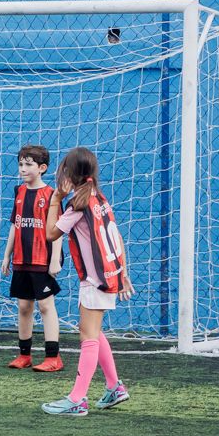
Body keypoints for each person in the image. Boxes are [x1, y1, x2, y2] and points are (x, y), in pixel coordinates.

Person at [41, 147, 134, 417]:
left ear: (69, 174)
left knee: (88, 337)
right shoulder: (99, 198)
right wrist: (123, 272)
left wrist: (56, 198)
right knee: (91, 329)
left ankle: (77, 399)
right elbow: (116, 238)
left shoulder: (77, 205)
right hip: (109, 274)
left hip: (96, 280)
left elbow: (50, 234)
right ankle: (114, 386)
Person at [0, 144, 63, 371]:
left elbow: (58, 230)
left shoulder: (51, 195)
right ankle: (24, 355)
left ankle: (53, 357)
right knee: (24, 306)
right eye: (20, 164)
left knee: (46, 306)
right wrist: (7, 255)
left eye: (28, 164)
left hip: (42, 259)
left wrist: (55, 258)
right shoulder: (19, 192)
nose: (23, 169)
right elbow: (14, 226)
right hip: (21, 260)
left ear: (42, 168)